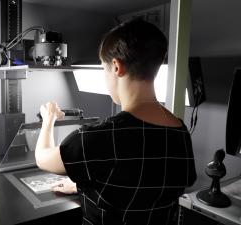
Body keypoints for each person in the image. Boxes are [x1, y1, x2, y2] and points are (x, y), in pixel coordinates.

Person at [35, 19, 197, 225]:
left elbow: (42, 158)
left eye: (103, 69)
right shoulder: (180, 133)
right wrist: (82, 184)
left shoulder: (99, 137)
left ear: (116, 67)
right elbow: (141, 184)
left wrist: (48, 119)